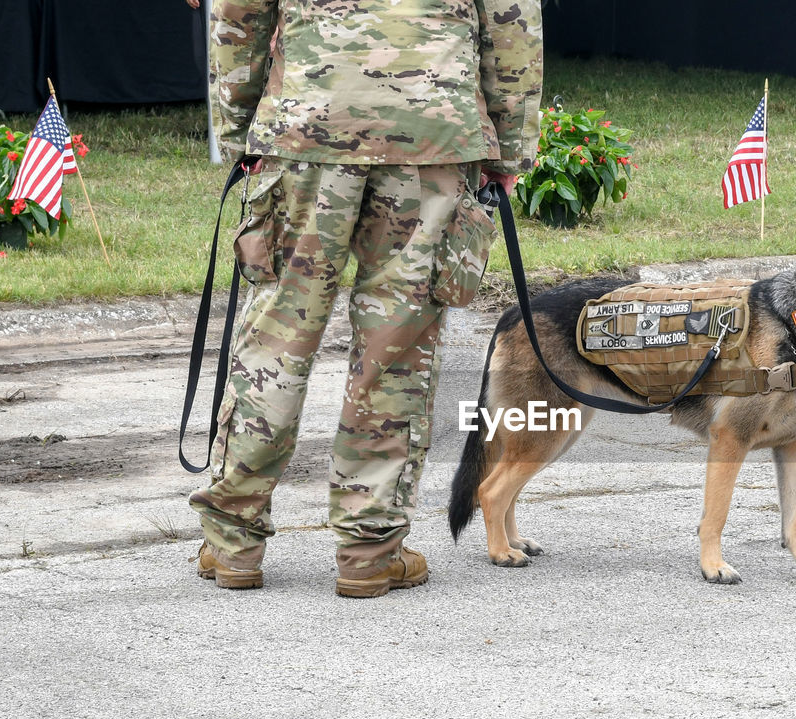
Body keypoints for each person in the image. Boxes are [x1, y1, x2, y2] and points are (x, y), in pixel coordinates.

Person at [190, 0, 543, 597]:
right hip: (432, 133)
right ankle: (370, 551)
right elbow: (513, 24)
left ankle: (233, 543)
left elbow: (237, 13)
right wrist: (509, 151)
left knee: (278, 336)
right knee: (396, 350)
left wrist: (242, 129)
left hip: (309, 122)